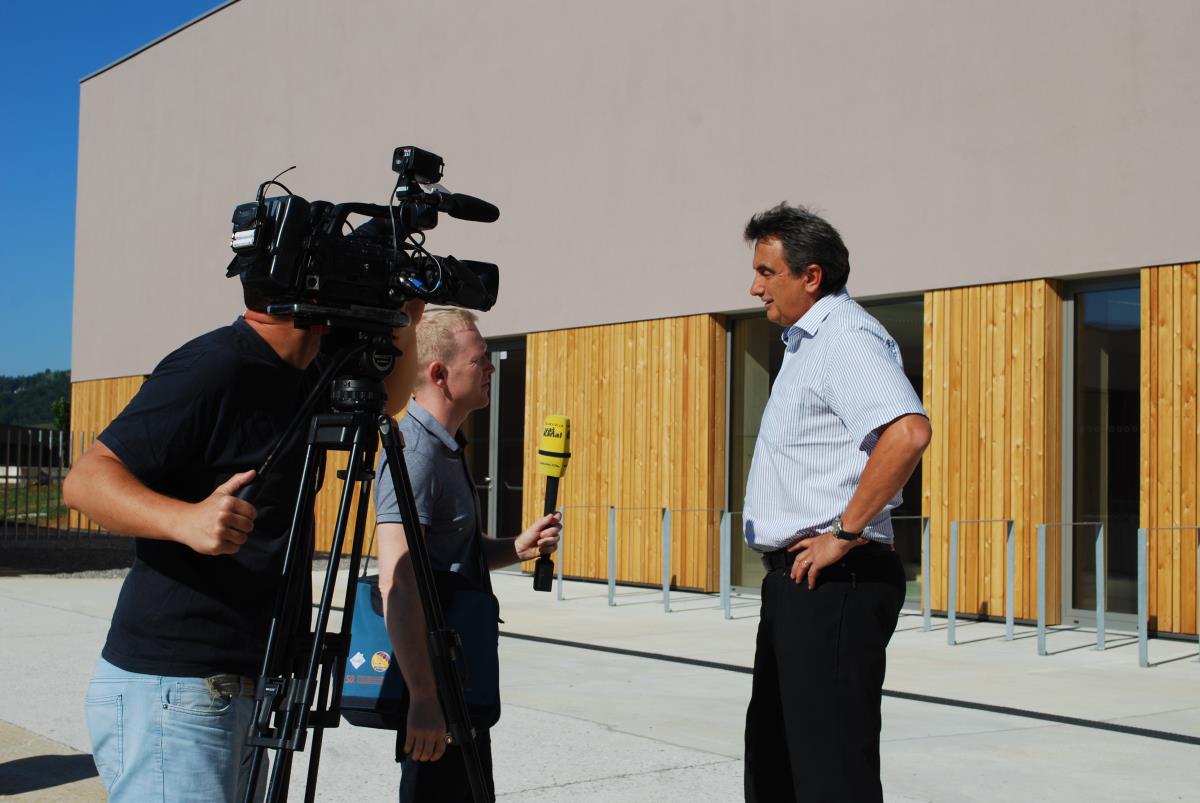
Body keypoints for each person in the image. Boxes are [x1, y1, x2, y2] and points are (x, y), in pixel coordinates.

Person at [63, 288, 425, 802]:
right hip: (179, 687)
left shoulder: (307, 374)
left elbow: (389, 399)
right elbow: (84, 480)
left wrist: (406, 321)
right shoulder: (214, 366)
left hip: (247, 685)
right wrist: (185, 520)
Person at [740, 203, 931, 802]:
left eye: (767, 272)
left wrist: (843, 534)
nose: (755, 287)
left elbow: (908, 434)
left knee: (829, 775)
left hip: (837, 581)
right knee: (778, 766)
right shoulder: (806, 344)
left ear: (811, 276)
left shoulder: (844, 336)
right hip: (801, 583)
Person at [373, 308, 561, 803]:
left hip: (460, 680)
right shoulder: (415, 453)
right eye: (480, 360)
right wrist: (424, 697)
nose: (491, 368)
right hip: (436, 688)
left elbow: (451, 557)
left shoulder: (447, 447)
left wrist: (515, 547)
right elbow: (398, 581)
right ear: (440, 374)